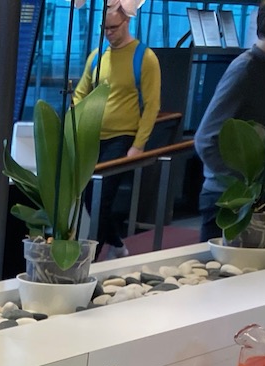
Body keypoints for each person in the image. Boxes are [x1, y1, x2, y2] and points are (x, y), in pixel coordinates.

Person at [193, 0, 265, 242]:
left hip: (246, 199)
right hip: (227, 199)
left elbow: (248, 125)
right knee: (215, 274)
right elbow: (205, 138)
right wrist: (241, 180)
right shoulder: (246, 68)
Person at [72, 1, 162, 259]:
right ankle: (118, 245)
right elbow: (81, 92)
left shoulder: (145, 58)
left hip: (121, 138)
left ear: (127, 22)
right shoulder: (98, 55)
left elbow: (152, 104)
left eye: (113, 28)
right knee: (93, 200)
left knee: (100, 200)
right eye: (105, 28)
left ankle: (91, 261)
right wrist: (75, 121)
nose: (108, 33)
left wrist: (138, 144)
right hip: (92, 137)